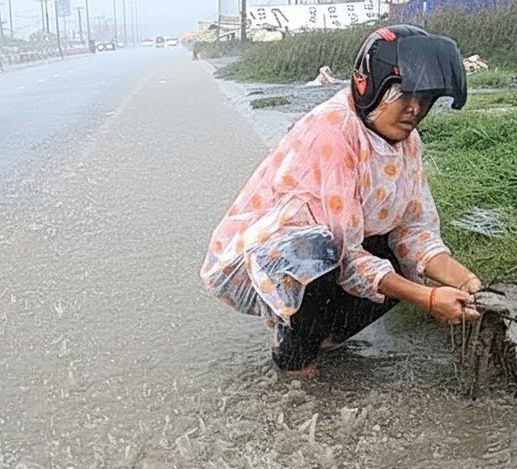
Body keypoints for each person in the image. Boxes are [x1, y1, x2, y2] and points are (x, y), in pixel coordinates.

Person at [202, 25, 485, 377]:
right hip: (263, 258)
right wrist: (427, 299)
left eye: (425, 97)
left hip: (329, 251)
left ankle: (322, 337)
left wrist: (465, 282)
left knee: (397, 259)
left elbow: (414, 230)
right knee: (318, 252)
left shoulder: (407, 143)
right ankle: (294, 362)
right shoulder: (333, 133)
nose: (415, 109)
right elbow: (344, 252)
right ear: (371, 85)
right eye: (403, 95)